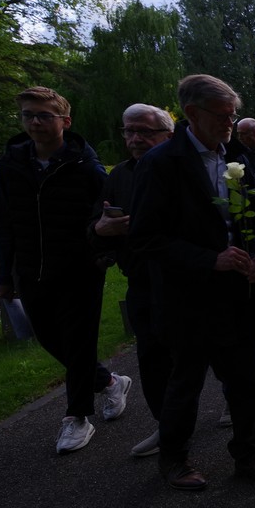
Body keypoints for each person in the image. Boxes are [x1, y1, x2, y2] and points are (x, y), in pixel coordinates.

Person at [129, 74, 255, 491]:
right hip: (189, 298)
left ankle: (249, 457)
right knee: (185, 384)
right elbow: (145, 237)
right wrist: (209, 260)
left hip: (237, 295)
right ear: (192, 114)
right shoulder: (161, 163)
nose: (229, 124)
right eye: (221, 116)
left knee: (246, 385)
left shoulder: (235, 160)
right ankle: (174, 460)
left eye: (232, 116)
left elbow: (253, 221)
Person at [0, 86, 132, 453]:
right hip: (29, 268)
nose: (35, 122)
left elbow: (102, 216)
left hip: (79, 268)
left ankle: (77, 417)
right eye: (28, 115)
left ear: (65, 122)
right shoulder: (12, 164)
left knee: (78, 340)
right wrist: (3, 274)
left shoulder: (86, 167)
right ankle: (110, 382)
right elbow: (2, 221)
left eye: (44, 115)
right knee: (49, 338)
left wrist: (102, 255)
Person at [87, 104, 175, 457]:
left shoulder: (183, 169)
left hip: (187, 278)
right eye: (129, 131)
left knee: (206, 352)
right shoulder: (120, 175)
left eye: (145, 132)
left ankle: (232, 409)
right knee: (152, 356)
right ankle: (167, 428)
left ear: (168, 135)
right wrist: (101, 229)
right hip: (142, 279)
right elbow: (97, 222)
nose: (135, 138)